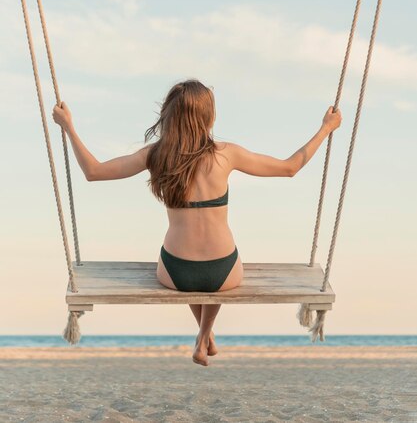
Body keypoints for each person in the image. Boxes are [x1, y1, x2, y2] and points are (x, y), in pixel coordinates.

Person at [52, 78, 342, 366]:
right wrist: (325, 129)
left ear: (169, 115)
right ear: (207, 117)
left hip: (175, 274)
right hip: (224, 271)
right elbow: (290, 167)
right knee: (212, 282)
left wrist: (69, 127)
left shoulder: (156, 155)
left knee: (193, 278)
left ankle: (205, 336)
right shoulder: (226, 154)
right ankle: (203, 337)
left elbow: (94, 171)